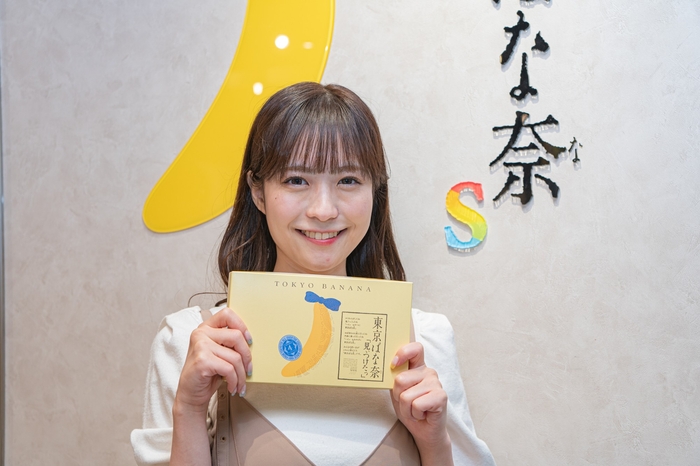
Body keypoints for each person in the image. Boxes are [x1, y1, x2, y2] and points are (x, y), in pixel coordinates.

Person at [131, 82, 495, 466]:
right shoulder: (190, 342)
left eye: (348, 180)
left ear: (375, 192)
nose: (323, 210)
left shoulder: (428, 341)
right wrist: (189, 407)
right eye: (296, 180)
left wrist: (434, 442)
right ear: (258, 192)